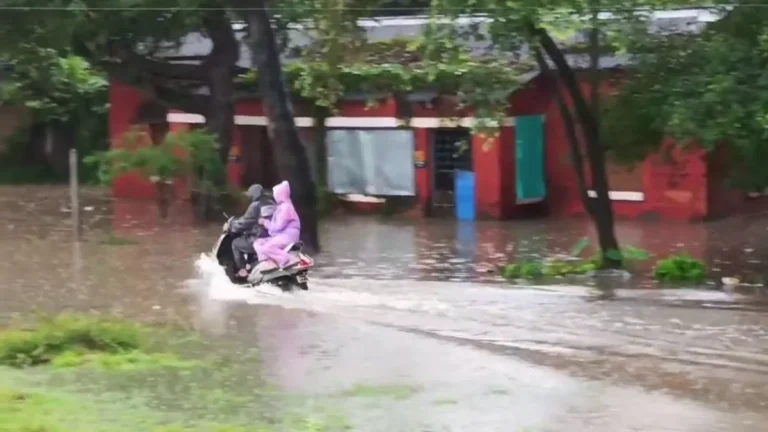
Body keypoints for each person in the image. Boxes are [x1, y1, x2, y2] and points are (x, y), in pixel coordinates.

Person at [253, 180, 301, 272]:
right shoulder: (281, 207)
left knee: (268, 247)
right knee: (258, 243)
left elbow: (277, 226)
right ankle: (268, 262)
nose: (274, 196)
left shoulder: (286, 208)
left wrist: (265, 222)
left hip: (288, 236)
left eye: (276, 194)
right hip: (280, 235)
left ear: (280, 194)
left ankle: (286, 259)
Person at [230, 184, 273, 278]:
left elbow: (245, 222)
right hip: (273, 237)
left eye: (250, 194)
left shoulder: (255, 205)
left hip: (259, 238)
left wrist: (232, 225)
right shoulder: (272, 203)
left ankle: (242, 270)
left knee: (236, 244)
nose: (249, 197)